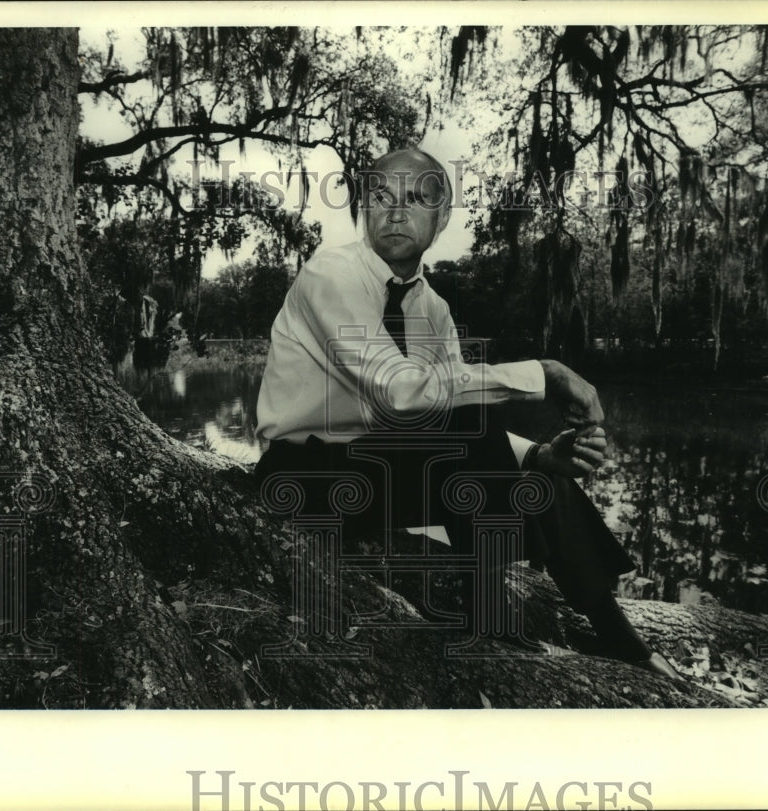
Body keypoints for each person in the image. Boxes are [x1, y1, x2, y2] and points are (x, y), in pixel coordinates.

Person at [254, 148, 681, 680]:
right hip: (301, 475)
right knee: (465, 429)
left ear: (442, 217)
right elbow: (405, 395)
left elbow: (453, 409)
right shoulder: (331, 274)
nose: (396, 210)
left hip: (377, 474)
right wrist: (543, 372)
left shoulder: (433, 309)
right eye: (381, 196)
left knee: (532, 475)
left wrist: (541, 454)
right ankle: (493, 631)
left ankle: (619, 636)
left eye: (417, 198)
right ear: (364, 209)